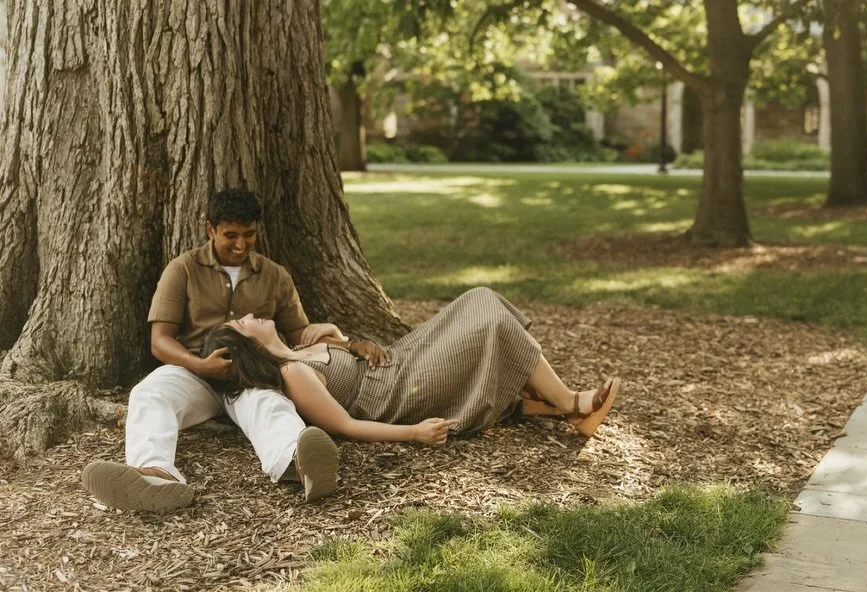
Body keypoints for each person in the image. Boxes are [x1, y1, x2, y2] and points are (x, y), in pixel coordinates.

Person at [81, 189, 346, 512]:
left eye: (248, 235)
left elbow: (298, 333)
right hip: (196, 372)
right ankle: (156, 477)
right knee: (149, 393)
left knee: (270, 405)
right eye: (230, 235)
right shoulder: (183, 269)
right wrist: (200, 365)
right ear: (210, 229)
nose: (240, 245)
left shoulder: (275, 275)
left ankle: (302, 464)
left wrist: (338, 337)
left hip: (250, 373)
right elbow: (160, 340)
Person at [199, 287, 620, 444]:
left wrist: (346, 340)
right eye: (242, 323)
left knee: (480, 297)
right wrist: (414, 434)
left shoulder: (302, 346)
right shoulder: (292, 375)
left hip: (401, 358)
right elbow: (346, 426)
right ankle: (571, 403)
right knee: (490, 320)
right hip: (398, 391)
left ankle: (536, 399)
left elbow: (348, 351)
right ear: (246, 345)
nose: (251, 315)